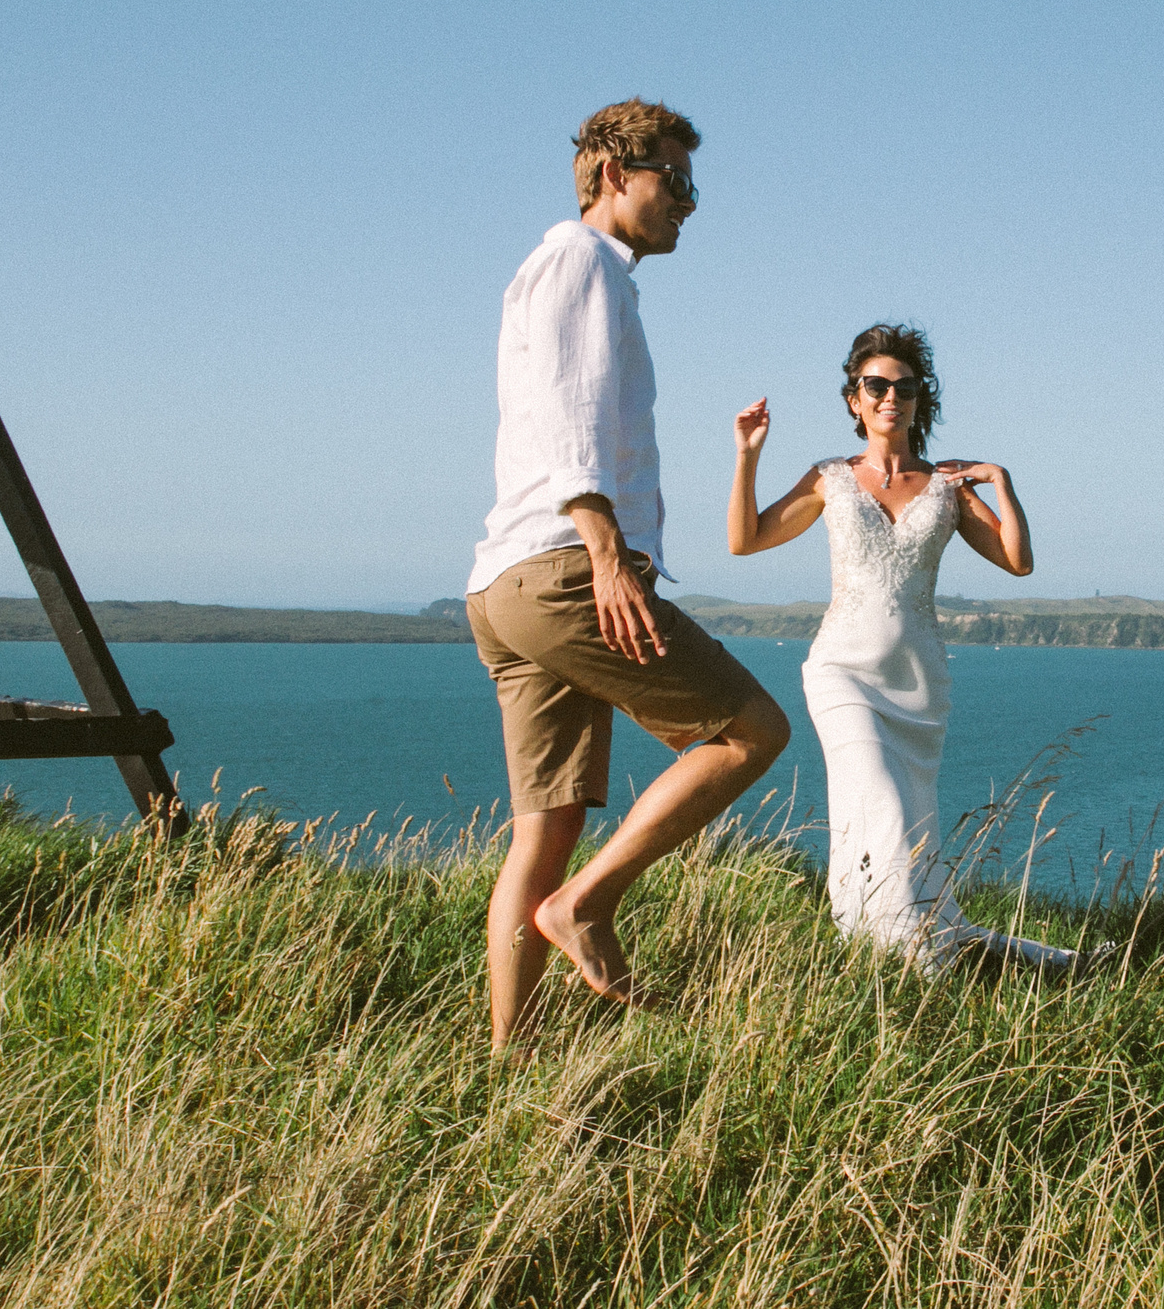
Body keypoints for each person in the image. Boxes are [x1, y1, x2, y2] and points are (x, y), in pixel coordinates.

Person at [465, 98, 792, 1051]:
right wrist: (606, 552)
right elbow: (568, 414)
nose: (688, 203)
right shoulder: (582, 261)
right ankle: (588, 905)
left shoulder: (563, 269)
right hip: (569, 569)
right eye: (676, 182)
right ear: (615, 174)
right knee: (752, 729)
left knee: (543, 832)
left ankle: (509, 1061)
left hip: (506, 585)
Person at [727, 324, 1084, 971]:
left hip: (919, 686)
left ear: (921, 400)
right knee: (882, 807)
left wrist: (1001, 481)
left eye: (906, 387)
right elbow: (745, 540)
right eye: (876, 385)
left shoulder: (947, 487)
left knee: (911, 832)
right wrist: (747, 455)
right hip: (841, 673)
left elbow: (1018, 561)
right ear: (854, 399)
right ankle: (915, 965)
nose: (891, 396)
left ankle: (908, 944)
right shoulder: (830, 478)